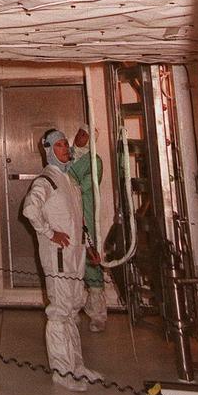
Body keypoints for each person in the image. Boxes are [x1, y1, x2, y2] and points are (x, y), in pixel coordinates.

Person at [22, 129, 103, 392]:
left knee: (72, 310)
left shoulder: (70, 181)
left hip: (76, 255)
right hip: (58, 256)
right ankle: (61, 371)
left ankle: (76, 366)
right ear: (47, 150)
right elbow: (30, 210)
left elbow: (79, 220)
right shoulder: (46, 181)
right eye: (59, 145)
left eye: (66, 144)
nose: (66, 148)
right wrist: (49, 233)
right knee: (59, 312)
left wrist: (89, 247)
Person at [69, 125, 107, 332]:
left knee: (91, 259)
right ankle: (72, 311)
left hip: (86, 213)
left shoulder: (95, 162)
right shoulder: (67, 155)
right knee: (71, 261)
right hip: (67, 214)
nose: (79, 137)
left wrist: (66, 182)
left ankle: (97, 314)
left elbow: (84, 186)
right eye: (78, 133)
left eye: (84, 135)